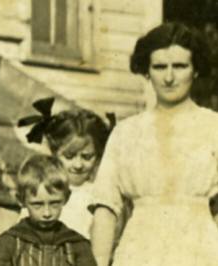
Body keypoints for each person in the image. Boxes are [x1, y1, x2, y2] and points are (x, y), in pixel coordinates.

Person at [90, 22, 218, 266]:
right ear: (146, 71)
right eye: (160, 67)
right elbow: (105, 209)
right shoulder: (126, 133)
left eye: (180, 66)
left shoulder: (213, 127)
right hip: (140, 252)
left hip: (201, 252)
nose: (169, 77)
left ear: (196, 70)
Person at [18, 99, 113, 238]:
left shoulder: (99, 195)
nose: (78, 165)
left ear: (98, 155)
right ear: (54, 153)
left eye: (87, 157)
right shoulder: (41, 190)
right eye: (69, 156)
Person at [0, 154, 96, 266]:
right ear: (21, 200)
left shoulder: (76, 245)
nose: (47, 213)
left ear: (66, 197)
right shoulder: (9, 243)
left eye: (54, 203)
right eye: (37, 204)